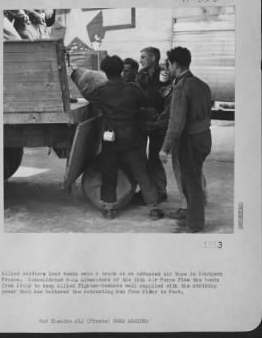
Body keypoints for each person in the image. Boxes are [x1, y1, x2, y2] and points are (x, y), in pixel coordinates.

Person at [71, 55, 159, 220]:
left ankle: (109, 208)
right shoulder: (133, 89)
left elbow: (88, 95)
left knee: (109, 171)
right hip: (132, 137)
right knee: (141, 171)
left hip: (110, 138)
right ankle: (153, 207)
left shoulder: (101, 92)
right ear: (121, 70)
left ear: (105, 72)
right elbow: (148, 103)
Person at [162, 47, 212, 232]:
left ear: (175, 64)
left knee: (190, 182)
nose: (167, 67)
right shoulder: (201, 84)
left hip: (189, 140)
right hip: (205, 137)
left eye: (168, 63)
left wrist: (165, 148)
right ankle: (194, 214)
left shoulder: (181, 87)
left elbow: (176, 123)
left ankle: (196, 223)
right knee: (195, 177)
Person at [135, 47, 168, 204]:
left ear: (153, 58)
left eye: (143, 57)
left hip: (158, 122)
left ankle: (160, 191)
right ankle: (147, 190)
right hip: (144, 121)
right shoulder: (141, 74)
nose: (140, 60)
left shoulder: (164, 74)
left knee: (155, 158)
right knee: (142, 158)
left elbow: (165, 96)